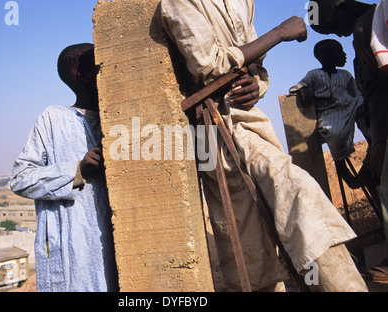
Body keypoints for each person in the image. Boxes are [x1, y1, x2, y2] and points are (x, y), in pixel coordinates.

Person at [161, 0, 368, 291]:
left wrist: (258, 83)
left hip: (250, 122)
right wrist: (280, 33)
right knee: (248, 247)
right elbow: (208, 66)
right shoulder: (179, 2)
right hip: (214, 127)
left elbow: (253, 64)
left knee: (298, 192)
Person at [10, 44, 118, 292]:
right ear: (84, 75)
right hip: (73, 263)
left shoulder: (121, 120)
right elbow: (20, 179)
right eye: (98, 67)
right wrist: (78, 170)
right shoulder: (53, 119)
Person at [308, 0, 388, 284]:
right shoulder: (371, 19)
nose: (337, 34)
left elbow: (378, 87)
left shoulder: (366, 25)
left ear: (339, 8)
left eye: (331, 26)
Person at [289, 39, 365, 189]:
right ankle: (343, 168)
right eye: (340, 52)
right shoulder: (314, 74)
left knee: (365, 117)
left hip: (348, 108)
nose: (344, 55)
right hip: (328, 113)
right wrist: (303, 90)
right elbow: (298, 86)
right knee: (333, 132)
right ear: (328, 57)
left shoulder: (346, 75)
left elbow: (357, 94)